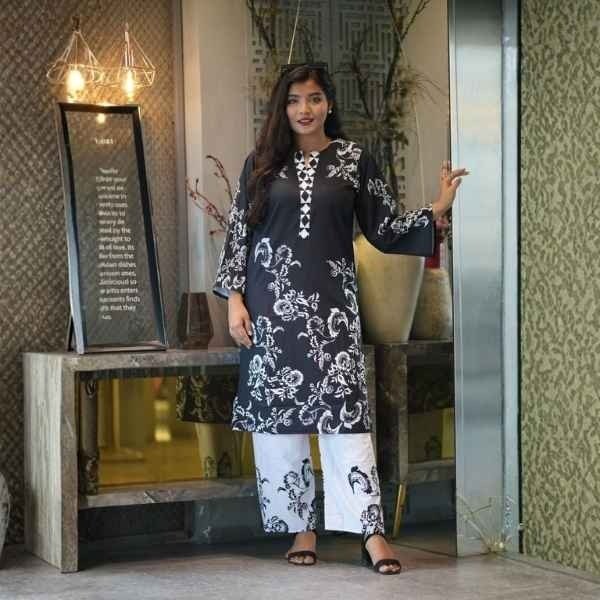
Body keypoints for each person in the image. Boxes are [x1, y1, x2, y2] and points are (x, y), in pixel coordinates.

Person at [213, 63, 467, 575]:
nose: (304, 109)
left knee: (346, 420)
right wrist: (234, 299)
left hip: (332, 311)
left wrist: (437, 207)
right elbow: (240, 233)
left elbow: (384, 229)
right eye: (293, 100)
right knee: (279, 425)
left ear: (329, 103)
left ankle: (370, 532)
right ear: (281, 108)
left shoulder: (354, 160)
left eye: (313, 98)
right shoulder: (261, 164)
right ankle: (301, 527)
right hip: (271, 310)